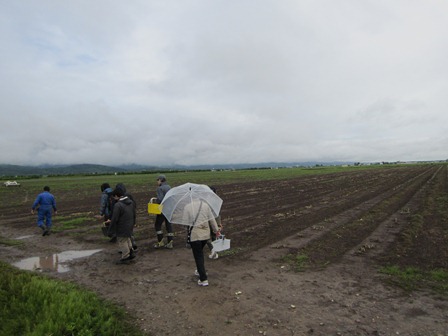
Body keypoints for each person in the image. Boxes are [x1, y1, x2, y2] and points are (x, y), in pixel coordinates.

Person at [187, 199, 220, 286]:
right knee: (199, 253)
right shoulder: (205, 205)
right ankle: (199, 270)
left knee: (198, 256)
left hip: (195, 236)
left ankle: (203, 279)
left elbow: (185, 222)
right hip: (205, 235)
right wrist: (216, 230)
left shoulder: (188, 207)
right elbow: (212, 220)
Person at [107, 187, 136, 264]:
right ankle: (131, 252)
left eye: (114, 197)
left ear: (116, 195)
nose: (114, 198)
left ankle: (125, 256)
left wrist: (110, 230)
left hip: (121, 226)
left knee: (122, 241)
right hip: (130, 224)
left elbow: (115, 218)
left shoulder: (118, 205)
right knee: (127, 238)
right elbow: (134, 214)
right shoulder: (131, 202)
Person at [153, 174, 174, 249]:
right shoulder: (169, 187)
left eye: (157, 180)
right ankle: (170, 242)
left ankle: (160, 242)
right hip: (169, 208)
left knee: (157, 225)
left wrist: (156, 200)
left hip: (162, 209)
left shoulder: (160, 188)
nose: (157, 181)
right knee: (168, 225)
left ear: (161, 180)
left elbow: (160, 199)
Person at [206, 186, 223, 259]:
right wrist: (219, 223)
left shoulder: (206, 200)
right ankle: (214, 250)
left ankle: (213, 249)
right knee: (214, 235)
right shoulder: (217, 200)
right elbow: (218, 213)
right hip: (215, 219)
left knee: (206, 236)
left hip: (208, 219)